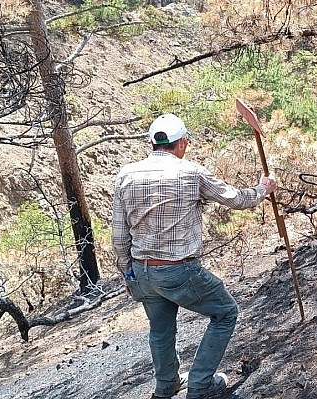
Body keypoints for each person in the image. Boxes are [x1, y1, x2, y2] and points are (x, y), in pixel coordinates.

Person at [111, 113, 276, 399]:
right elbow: (236, 199)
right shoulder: (191, 172)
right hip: (178, 271)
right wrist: (263, 188)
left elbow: (118, 234)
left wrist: (127, 272)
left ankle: (166, 387)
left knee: (161, 330)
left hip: (142, 272)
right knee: (225, 312)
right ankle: (200, 385)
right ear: (182, 142)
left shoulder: (126, 174)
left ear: (152, 143)